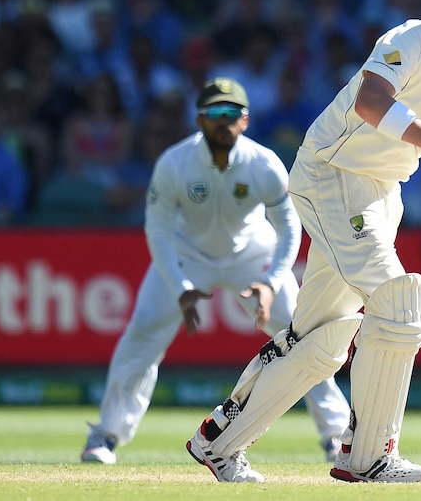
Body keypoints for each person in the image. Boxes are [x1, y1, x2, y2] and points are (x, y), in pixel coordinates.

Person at [185, 0, 421, 484]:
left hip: (382, 195)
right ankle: (368, 456)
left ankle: (218, 442)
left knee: (322, 339)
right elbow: (373, 103)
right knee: (401, 305)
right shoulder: (413, 39)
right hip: (332, 173)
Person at [81, 77, 350, 465]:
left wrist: (272, 282)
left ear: (245, 120)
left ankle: (336, 435)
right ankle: (106, 434)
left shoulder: (263, 163)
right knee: (141, 338)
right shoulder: (175, 163)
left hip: (252, 256)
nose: (223, 122)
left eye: (231, 113)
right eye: (214, 114)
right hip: (187, 254)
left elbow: (290, 227)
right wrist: (180, 286)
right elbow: (157, 229)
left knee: (302, 339)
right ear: (199, 120)